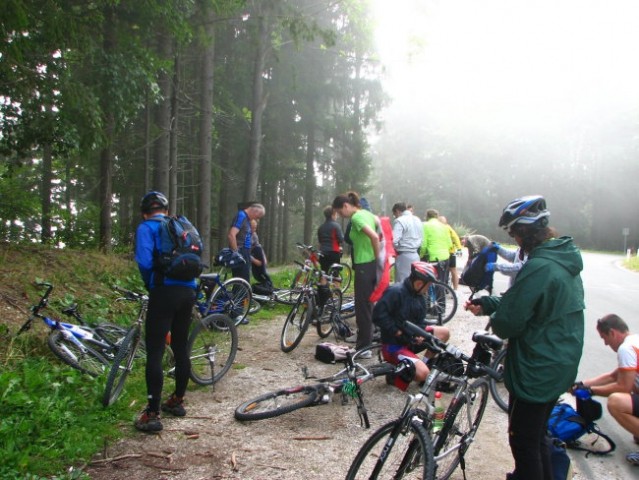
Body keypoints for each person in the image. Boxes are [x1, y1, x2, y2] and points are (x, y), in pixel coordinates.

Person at [464, 195, 585, 480]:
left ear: (527, 230)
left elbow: (508, 323)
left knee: (523, 441)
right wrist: (491, 303)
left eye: (515, 232)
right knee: (538, 435)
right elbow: (531, 302)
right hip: (560, 362)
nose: (515, 239)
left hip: (538, 368)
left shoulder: (540, 266)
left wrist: (497, 312)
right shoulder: (561, 259)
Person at [133, 191, 198, 433]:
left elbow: (144, 262)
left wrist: (151, 284)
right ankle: (177, 401)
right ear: (166, 211)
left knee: (155, 351)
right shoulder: (179, 225)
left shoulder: (146, 227)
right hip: (188, 291)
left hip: (164, 292)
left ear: (144, 212)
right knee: (180, 347)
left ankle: (152, 414)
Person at [373, 261, 450, 390]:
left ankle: (423, 364)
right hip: (393, 345)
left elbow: (419, 322)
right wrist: (395, 331)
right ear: (419, 283)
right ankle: (395, 374)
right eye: (428, 285)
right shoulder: (395, 292)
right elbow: (377, 315)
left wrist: (419, 334)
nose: (429, 289)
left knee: (444, 332)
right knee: (423, 374)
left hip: (410, 339)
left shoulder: (419, 296)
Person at [574, 314, 639, 465]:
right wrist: (582, 384)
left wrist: (591, 391)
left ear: (612, 333)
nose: (605, 344)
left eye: (604, 338)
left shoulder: (626, 348)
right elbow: (613, 376)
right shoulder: (634, 341)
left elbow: (624, 387)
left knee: (616, 402)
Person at [332, 192, 380, 357]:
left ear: (346, 206)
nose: (340, 216)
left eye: (339, 212)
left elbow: (374, 237)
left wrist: (377, 257)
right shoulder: (368, 214)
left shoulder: (356, 218)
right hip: (370, 265)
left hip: (364, 265)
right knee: (369, 305)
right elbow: (380, 226)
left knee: (362, 307)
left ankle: (363, 348)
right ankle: (367, 342)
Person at [391, 202, 423, 284]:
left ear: (397, 211)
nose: (395, 216)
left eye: (394, 214)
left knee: (402, 283)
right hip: (416, 254)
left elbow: (394, 240)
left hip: (403, 255)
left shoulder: (399, 220)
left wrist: (396, 248)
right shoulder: (417, 219)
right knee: (414, 282)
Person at [419, 209, 452, 284]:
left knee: (433, 281)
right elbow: (450, 244)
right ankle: (442, 295)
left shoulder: (425, 225)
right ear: (437, 216)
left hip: (434, 257)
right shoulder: (444, 226)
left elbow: (424, 244)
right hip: (446, 257)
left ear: (427, 216)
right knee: (442, 282)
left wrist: (421, 255)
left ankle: (435, 295)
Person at [317, 205, 344, 273]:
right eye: (336, 214)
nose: (337, 216)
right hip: (334, 253)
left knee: (324, 274)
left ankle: (324, 283)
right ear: (333, 215)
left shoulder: (321, 228)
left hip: (323, 253)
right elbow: (341, 239)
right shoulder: (336, 226)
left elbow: (320, 242)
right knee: (335, 276)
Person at [439, 215, 462, 289]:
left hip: (443, 252)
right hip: (451, 252)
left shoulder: (438, 228)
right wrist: (459, 250)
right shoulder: (449, 228)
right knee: (453, 271)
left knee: (443, 270)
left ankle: (443, 287)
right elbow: (456, 239)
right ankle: (455, 289)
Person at [250, 218, 272, 286]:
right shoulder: (244, 236)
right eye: (252, 228)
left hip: (255, 254)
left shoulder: (254, 235)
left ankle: (268, 286)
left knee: (264, 275)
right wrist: (254, 260)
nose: (253, 230)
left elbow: (258, 246)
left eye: (255, 228)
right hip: (248, 257)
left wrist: (264, 257)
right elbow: (244, 252)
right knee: (255, 275)